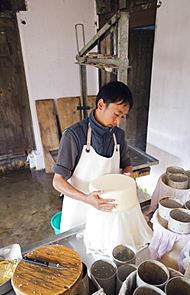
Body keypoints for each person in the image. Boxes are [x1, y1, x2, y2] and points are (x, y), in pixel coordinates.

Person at [52, 80, 133, 232]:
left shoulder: (119, 135)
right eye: (116, 114)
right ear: (101, 105)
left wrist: (127, 177)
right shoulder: (74, 135)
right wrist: (87, 199)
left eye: (122, 116)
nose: (118, 121)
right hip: (79, 210)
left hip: (108, 210)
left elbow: (126, 165)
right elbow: (58, 181)